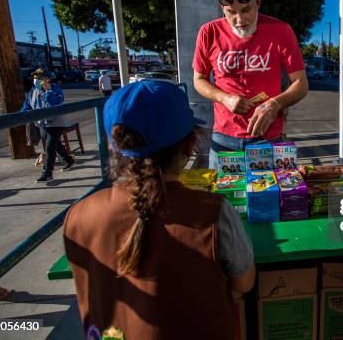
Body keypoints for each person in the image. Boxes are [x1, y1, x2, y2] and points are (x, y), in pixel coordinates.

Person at [63, 80, 255, 339]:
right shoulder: (214, 212)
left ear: (116, 146)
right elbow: (245, 282)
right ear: (189, 145)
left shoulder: (78, 215)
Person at [192, 0, 308, 169]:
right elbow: (199, 80)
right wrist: (224, 98)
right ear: (222, 8)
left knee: (268, 198)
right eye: (231, 12)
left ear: (258, 1)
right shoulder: (208, 32)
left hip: (267, 138)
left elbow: (301, 84)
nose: (239, 20)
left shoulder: (281, 30)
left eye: (246, 10)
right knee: (221, 197)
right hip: (223, 137)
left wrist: (274, 104)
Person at [21, 75, 76, 183]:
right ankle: (69, 160)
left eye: (39, 78)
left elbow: (53, 102)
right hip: (41, 123)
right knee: (55, 144)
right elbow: (27, 105)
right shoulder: (33, 90)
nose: (36, 80)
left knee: (50, 147)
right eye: (35, 78)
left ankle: (47, 173)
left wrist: (49, 90)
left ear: (47, 80)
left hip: (56, 122)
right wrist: (19, 116)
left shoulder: (56, 89)